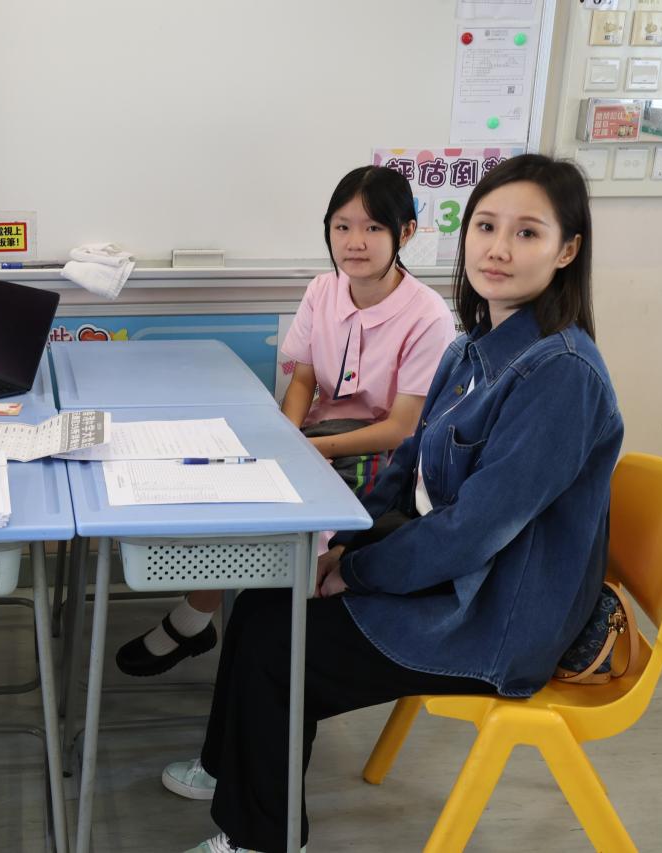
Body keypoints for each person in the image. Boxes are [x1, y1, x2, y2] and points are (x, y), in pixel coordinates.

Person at [175, 153, 623, 853]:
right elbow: (408, 462)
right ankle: (229, 767)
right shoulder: (474, 347)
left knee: (276, 645)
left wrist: (355, 572)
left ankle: (261, 839)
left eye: (527, 233)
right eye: (486, 226)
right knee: (267, 597)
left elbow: (472, 531)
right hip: (455, 577)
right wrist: (343, 545)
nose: (498, 249)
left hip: (492, 614)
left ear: (567, 250)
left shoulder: (560, 373)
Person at [116, 166, 455, 681]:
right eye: (342, 227)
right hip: (317, 437)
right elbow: (303, 381)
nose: (354, 242)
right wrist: (288, 437)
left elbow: (403, 429)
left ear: (405, 232)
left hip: (384, 456)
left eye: (372, 228)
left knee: (277, 512)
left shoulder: (428, 315)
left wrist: (306, 453)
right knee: (234, 482)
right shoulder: (323, 290)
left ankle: (213, 624)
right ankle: (208, 620)